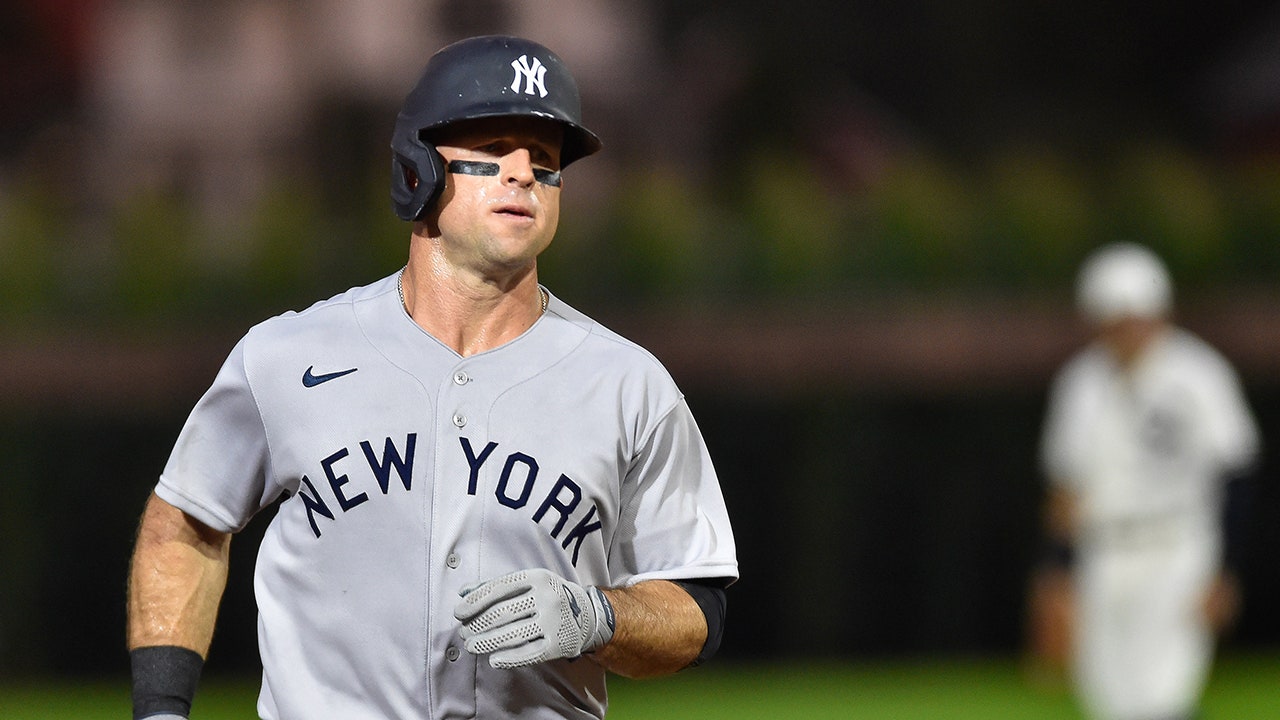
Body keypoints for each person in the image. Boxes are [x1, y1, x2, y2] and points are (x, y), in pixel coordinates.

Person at [126, 35, 738, 720]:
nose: (523, 173)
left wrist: (600, 617)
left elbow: (696, 607)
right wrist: (161, 710)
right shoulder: (287, 356)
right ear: (416, 168)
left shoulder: (629, 385)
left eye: (544, 159)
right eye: (494, 148)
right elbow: (188, 521)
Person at [1030, 242, 1261, 720]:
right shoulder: (1081, 382)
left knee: (1162, 696)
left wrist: (1226, 569)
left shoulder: (1198, 374)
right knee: (1111, 701)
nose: (1128, 332)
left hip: (1177, 544)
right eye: (1116, 320)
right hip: (1104, 551)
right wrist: (1056, 575)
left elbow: (1236, 474)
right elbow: (1067, 489)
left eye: (1136, 318)